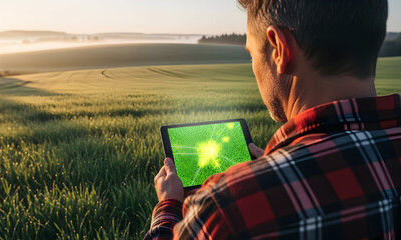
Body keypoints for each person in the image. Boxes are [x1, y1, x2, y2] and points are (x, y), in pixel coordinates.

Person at [144, 0, 401, 239]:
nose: (253, 65)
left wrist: (168, 207)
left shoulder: (224, 210)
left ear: (279, 48)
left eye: (252, 54)